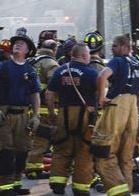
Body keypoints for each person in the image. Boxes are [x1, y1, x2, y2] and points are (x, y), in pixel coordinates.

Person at [91, 36, 139, 196]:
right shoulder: (137, 64)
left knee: (103, 149)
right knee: (126, 155)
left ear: (124, 47)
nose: (112, 48)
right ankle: (126, 189)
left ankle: (118, 191)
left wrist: (102, 98)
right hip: (133, 109)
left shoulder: (117, 61)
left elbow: (102, 76)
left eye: (115, 46)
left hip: (117, 106)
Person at [0, 33, 41, 196]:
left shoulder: (30, 70)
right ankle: (4, 188)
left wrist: (36, 115)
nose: (17, 45)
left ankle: (16, 184)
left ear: (28, 50)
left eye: (21, 44)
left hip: (23, 115)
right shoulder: (2, 67)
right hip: (4, 114)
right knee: (5, 151)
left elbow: (35, 94)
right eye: (16, 43)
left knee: (22, 151)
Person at [47, 43, 98, 196]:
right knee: (84, 151)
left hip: (64, 114)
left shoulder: (60, 70)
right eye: (88, 54)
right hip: (86, 117)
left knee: (62, 148)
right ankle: (80, 188)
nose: (89, 56)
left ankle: (57, 184)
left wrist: (51, 112)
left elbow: (49, 93)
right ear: (83, 55)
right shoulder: (91, 73)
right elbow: (101, 94)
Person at [25, 39, 60, 179]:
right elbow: (53, 88)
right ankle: (33, 170)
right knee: (41, 140)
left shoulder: (31, 61)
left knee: (33, 140)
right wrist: (53, 111)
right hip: (45, 109)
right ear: (54, 49)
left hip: (28, 107)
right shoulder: (51, 64)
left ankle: (32, 167)